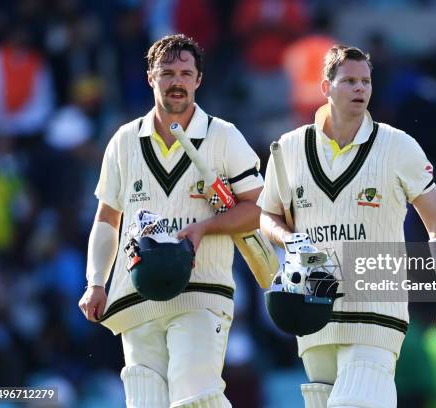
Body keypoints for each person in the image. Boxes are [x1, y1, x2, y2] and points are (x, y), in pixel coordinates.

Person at [258, 45, 436, 407]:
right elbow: (267, 216)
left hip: (377, 311)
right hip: (312, 310)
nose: (360, 89)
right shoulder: (288, 149)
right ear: (325, 87)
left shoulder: (399, 147)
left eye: (366, 81)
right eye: (349, 81)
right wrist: (290, 239)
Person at [78, 34, 264, 408]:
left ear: (198, 80)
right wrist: (96, 281)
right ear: (150, 77)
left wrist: (205, 228)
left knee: (195, 395)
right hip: (136, 296)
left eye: (185, 73)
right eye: (167, 73)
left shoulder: (224, 136)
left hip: (202, 292)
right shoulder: (124, 140)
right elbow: (107, 219)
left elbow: (258, 210)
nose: (176, 81)